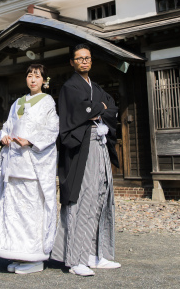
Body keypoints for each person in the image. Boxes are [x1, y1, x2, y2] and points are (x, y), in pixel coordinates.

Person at [50, 43, 121, 276]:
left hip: (99, 142)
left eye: (87, 58)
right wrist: (96, 109)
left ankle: (96, 254)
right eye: (79, 58)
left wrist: (96, 109)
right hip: (82, 145)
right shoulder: (70, 87)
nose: (84, 61)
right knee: (84, 198)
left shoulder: (96, 86)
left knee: (102, 194)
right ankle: (75, 259)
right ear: (72, 62)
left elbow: (111, 107)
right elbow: (80, 113)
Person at [0, 64, 59, 275]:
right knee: (15, 212)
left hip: (32, 165)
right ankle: (18, 254)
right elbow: (7, 126)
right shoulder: (17, 102)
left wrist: (31, 140)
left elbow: (52, 129)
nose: (33, 79)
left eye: (37, 76)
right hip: (14, 163)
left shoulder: (48, 102)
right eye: (29, 75)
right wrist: (4, 138)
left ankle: (35, 257)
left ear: (44, 80)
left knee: (32, 212)